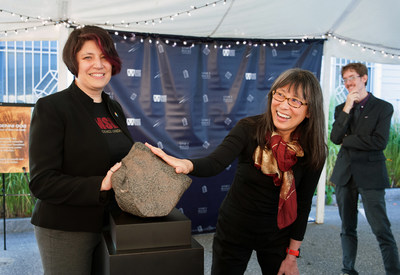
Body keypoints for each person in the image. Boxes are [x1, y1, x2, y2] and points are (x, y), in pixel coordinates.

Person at [146, 68, 327, 275]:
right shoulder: (249, 128)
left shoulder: (314, 151)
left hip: (278, 234)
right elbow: (215, 162)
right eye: (280, 95)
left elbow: (302, 206)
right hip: (235, 227)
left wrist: (292, 255)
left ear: (309, 110)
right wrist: (188, 165)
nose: (283, 105)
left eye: (295, 101)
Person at [29, 25, 134, 274]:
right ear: (74, 62)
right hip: (65, 227)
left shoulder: (114, 108)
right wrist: (101, 184)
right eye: (88, 57)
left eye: (104, 57)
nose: (98, 64)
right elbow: (42, 182)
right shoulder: (52, 108)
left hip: (111, 223)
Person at [330, 62, 400, 275]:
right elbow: (335, 138)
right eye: (345, 79)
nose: (348, 83)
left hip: (370, 176)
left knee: (381, 229)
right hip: (345, 175)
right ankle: (347, 269)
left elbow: (379, 142)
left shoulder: (383, 107)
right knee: (347, 229)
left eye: (352, 77)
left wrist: (348, 139)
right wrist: (347, 108)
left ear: (364, 78)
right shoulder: (341, 109)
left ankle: (393, 271)